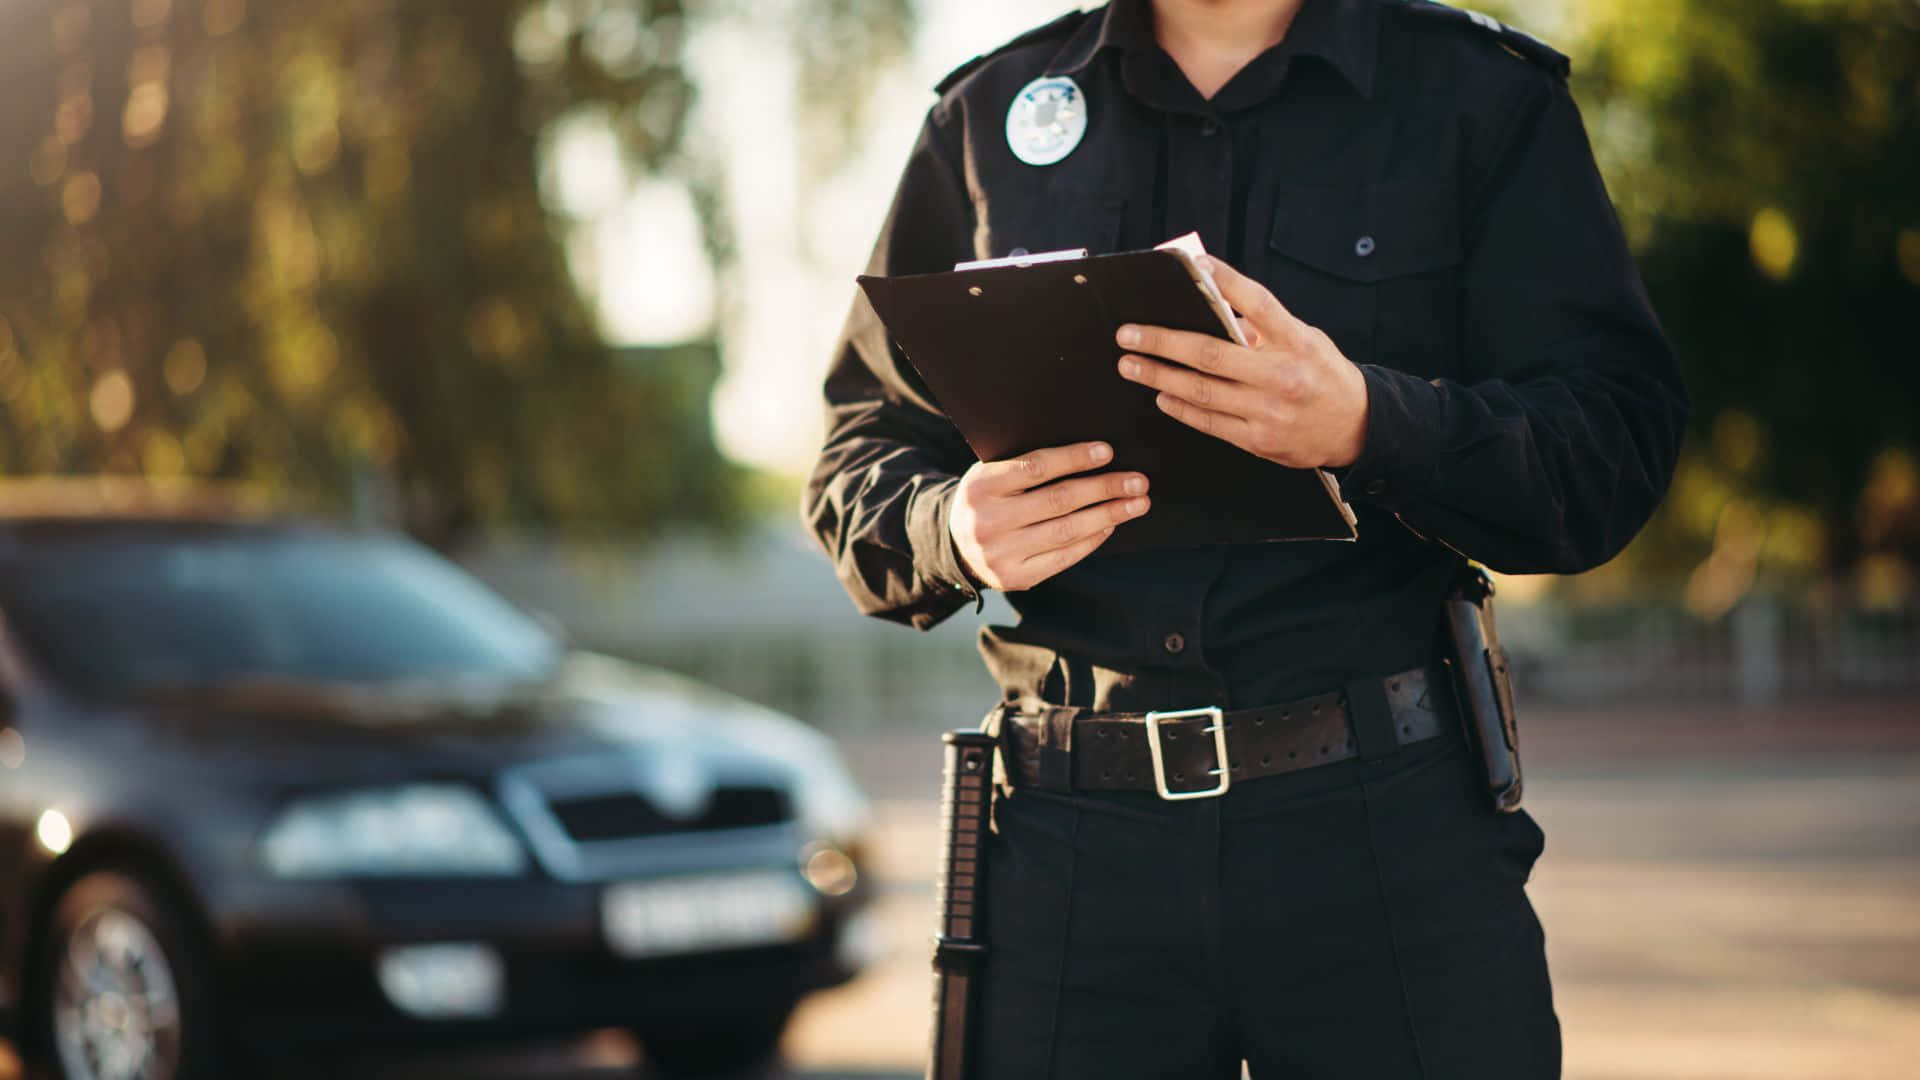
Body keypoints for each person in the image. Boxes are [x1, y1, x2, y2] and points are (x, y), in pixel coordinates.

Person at [803, 0, 1688, 1075]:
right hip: (1072, 859)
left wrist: (1367, 419)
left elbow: (1610, 452)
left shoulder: (1479, 97)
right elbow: (858, 454)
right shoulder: (986, 117)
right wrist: (951, 528)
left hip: (1388, 844)